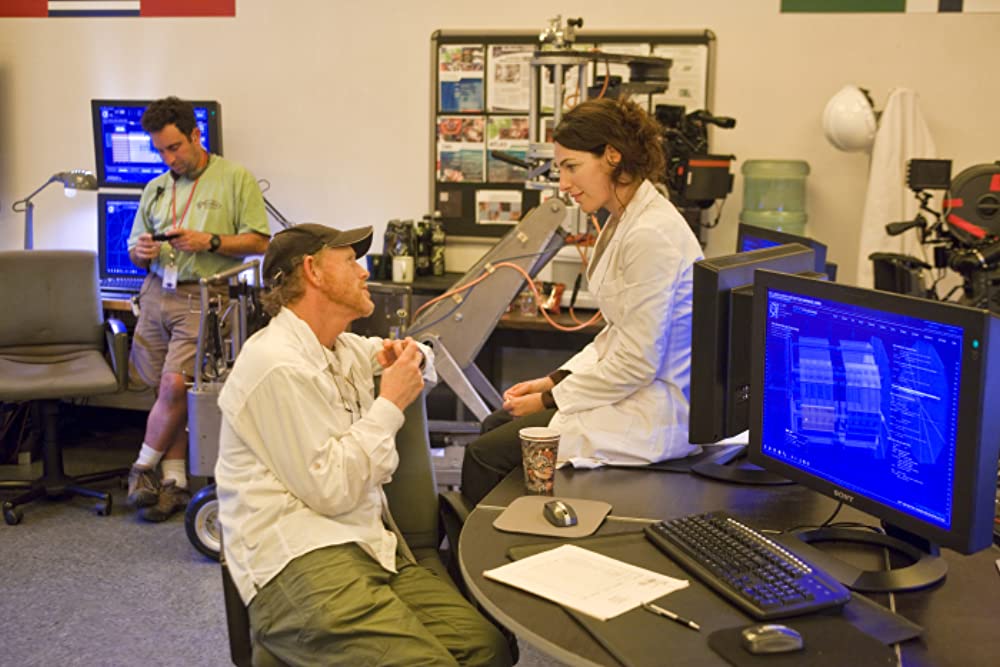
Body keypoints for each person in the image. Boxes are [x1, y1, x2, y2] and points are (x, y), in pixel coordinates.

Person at [214, 224, 512, 667]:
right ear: (313, 271)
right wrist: (390, 402)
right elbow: (331, 490)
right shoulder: (277, 365)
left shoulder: (342, 349)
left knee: (487, 648)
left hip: (367, 545)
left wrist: (413, 355)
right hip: (299, 559)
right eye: (351, 261)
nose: (364, 272)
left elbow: (419, 358)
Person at [461, 97, 704, 505]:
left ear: (612, 156)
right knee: (495, 425)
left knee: (485, 455)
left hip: (656, 412)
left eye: (571, 166)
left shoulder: (650, 234)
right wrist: (554, 381)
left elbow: (637, 362)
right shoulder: (625, 219)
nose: (563, 184)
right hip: (632, 389)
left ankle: (498, 540)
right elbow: (618, 334)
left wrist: (549, 399)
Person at [126, 96, 270, 521]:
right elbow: (133, 249)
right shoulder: (156, 188)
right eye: (160, 151)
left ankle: (141, 468)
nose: (169, 158)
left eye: (175, 148)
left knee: (176, 384)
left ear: (195, 135)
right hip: (157, 291)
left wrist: (210, 241)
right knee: (163, 390)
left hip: (204, 295)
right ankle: (174, 482)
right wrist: (142, 251)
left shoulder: (235, 178)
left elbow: (260, 241)